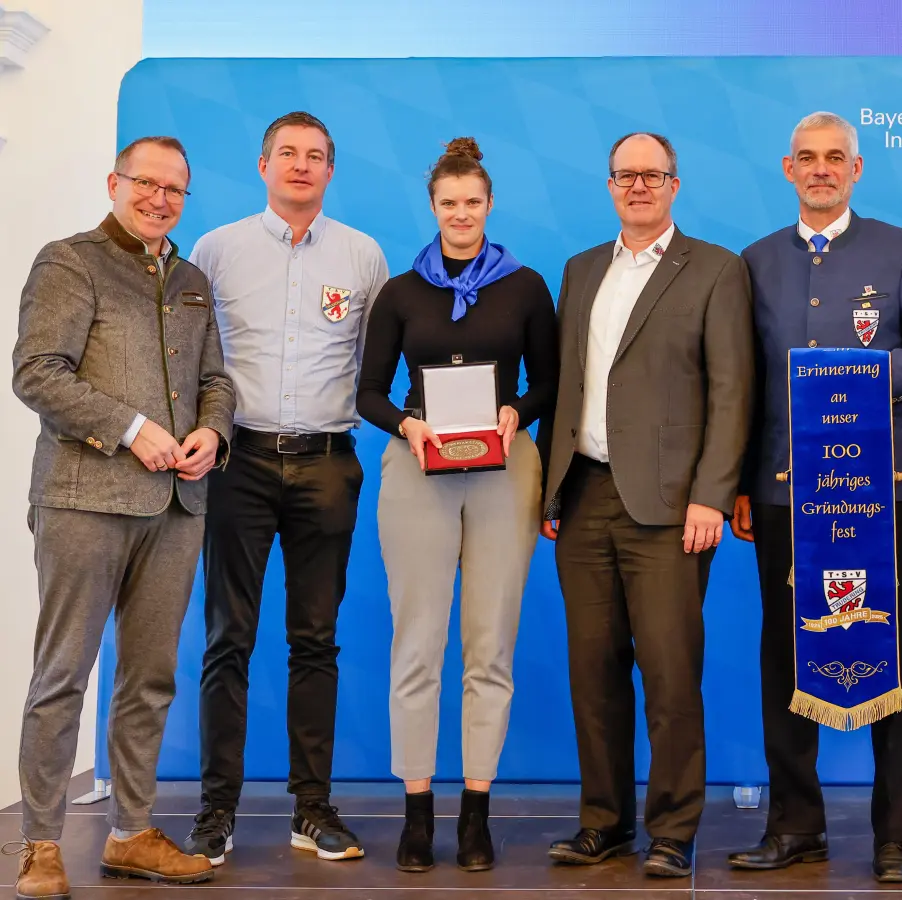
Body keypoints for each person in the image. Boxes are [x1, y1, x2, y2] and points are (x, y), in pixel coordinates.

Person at [728, 111, 902, 884]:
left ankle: (893, 835)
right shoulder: (755, 261)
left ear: (856, 170)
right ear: (787, 167)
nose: (822, 169)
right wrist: (737, 482)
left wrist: (869, 376)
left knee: (888, 654)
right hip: (782, 490)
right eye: (808, 158)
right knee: (785, 652)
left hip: (877, 491)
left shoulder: (900, 250)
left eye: (836, 158)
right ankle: (795, 825)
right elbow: (740, 384)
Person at [9, 135, 232, 896]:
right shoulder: (69, 262)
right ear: (115, 182)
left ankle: (132, 833)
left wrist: (213, 432)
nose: (160, 199)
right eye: (147, 183)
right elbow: (37, 373)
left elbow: (216, 381)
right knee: (63, 673)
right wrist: (134, 429)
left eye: (175, 189)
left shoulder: (194, 279)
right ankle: (40, 844)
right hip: (83, 499)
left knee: (150, 678)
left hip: (177, 506)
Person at [538, 132, 754, 878]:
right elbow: (566, 383)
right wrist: (551, 487)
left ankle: (672, 829)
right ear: (609, 186)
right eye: (625, 176)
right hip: (584, 494)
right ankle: (604, 821)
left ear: (675, 185)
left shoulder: (717, 270)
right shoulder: (581, 269)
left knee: (669, 672)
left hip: (671, 507)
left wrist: (712, 497)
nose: (638, 186)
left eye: (652, 175)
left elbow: (733, 392)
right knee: (592, 671)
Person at [184, 111, 389, 865]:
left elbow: (376, 370)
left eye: (316, 157)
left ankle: (312, 808)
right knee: (226, 640)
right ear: (263, 164)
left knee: (316, 641)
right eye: (287, 155)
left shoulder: (363, 256)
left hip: (329, 463)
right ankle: (216, 813)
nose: (301, 166)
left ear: (330, 171)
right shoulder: (217, 250)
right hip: (236, 463)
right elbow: (198, 362)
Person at [357, 136, 558, 873]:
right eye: (449, 203)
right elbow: (368, 391)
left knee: (490, 646)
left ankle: (476, 811)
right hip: (417, 468)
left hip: (505, 469)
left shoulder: (527, 287)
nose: (462, 214)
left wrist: (518, 413)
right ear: (433, 207)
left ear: (489, 204)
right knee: (416, 643)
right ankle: (418, 812)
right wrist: (407, 424)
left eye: (473, 202)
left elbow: (551, 379)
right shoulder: (401, 293)